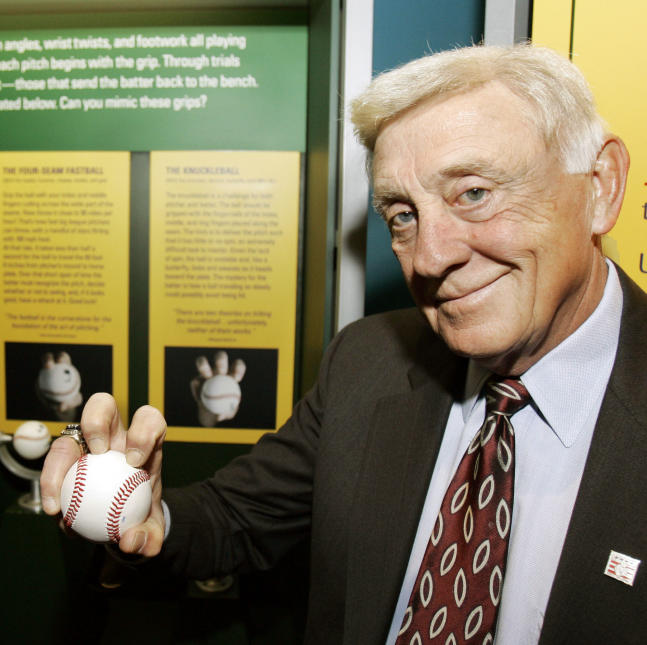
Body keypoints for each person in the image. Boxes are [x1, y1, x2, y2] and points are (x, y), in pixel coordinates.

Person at [41, 44, 647, 644]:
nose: (432, 257)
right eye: (403, 215)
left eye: (473, 193)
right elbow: (238, 518)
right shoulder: (368, 360)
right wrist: (152, 515)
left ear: (599, 187)